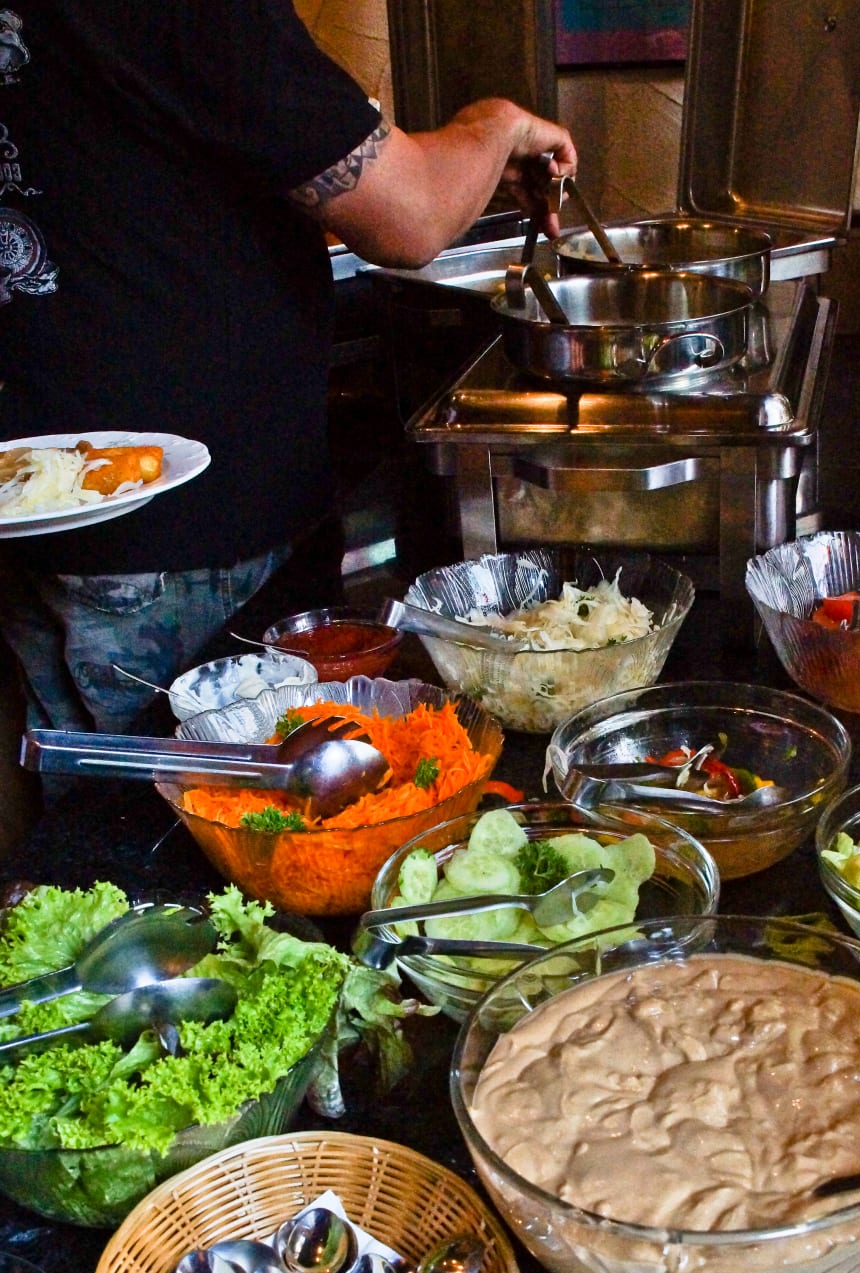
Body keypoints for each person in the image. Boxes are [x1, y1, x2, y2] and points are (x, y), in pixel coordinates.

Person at [0, 1, 576, 732]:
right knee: (212, 794)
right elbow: (412, 216)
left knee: (89, 785)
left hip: (39, 491)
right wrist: (498, 125)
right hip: (189, 534)